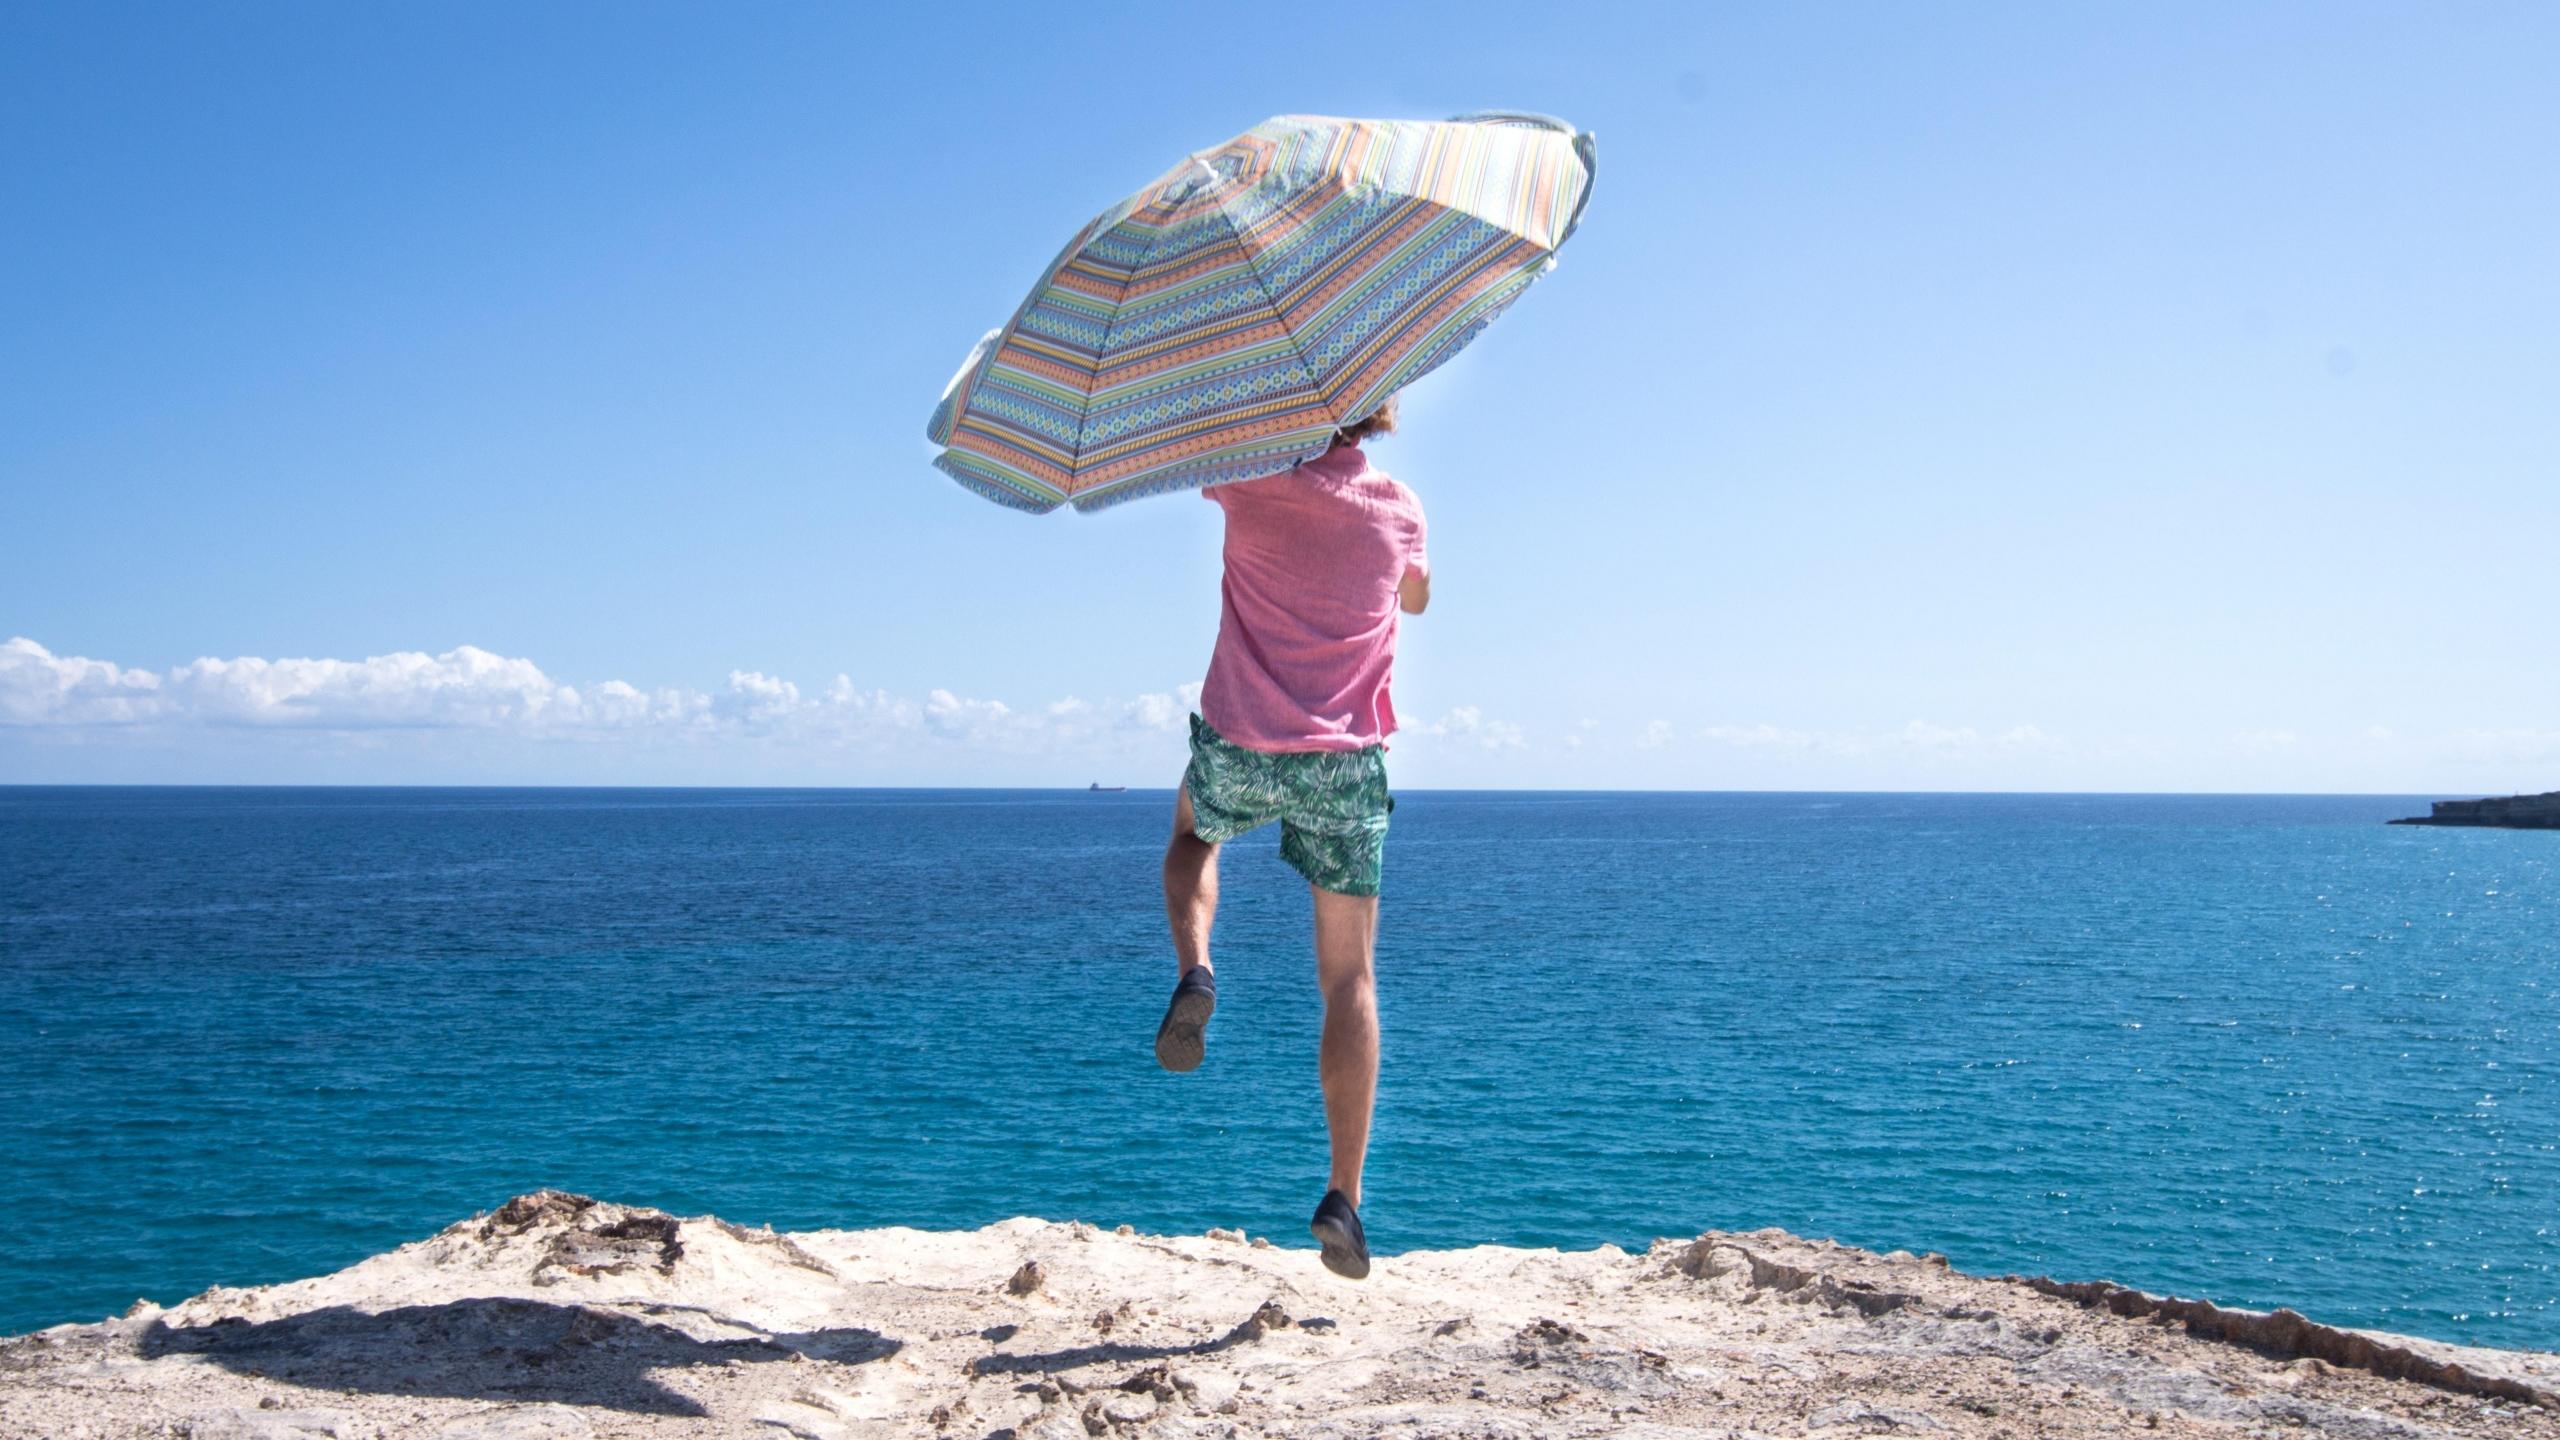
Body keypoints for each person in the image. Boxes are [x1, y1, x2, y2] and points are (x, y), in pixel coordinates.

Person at [1153, 395, 1428, 1281]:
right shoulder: (1400, 508)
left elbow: (1190, 453)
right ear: (1378, 413)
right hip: (1346, 763)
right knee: (1348, 976)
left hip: (1243, 740)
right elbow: (1417, 600)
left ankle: (1197, 967)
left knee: (1194, 835)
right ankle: (1343, 1195)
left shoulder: (1246, 480)